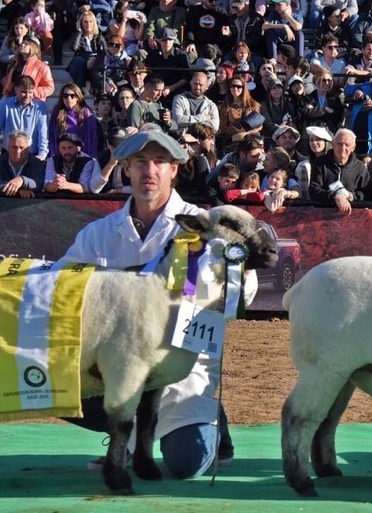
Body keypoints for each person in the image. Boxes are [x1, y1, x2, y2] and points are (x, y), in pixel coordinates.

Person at [58, 128, 242, 479]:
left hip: (179, 373)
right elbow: (62, 283)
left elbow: (234, 295)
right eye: (140, 162)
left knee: (185, 465)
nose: (149, 170)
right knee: (45, 381)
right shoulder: (98, 234)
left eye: (160, 161)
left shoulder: (203, 227)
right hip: (117, 368)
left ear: (174, 169)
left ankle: (212, 420)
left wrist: (222, 283)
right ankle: (123, 439)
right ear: (126, 168)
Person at [0, 129, 45, 197]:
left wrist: (22, 180)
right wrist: (17, 189)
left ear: (28, 149)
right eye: (14, 147)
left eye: (21, 148)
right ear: (8, 147)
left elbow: (39, 183)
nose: (18, 151)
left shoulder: (36, 163)